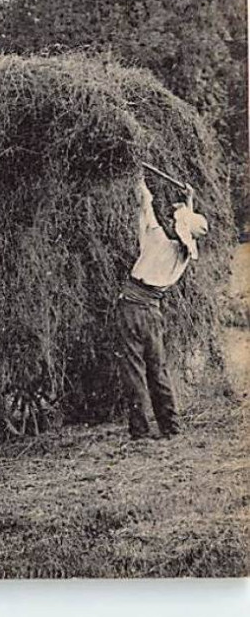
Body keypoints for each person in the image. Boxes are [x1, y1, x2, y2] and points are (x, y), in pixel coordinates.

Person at [116, 176, 208, 441]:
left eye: (174, 220)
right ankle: (171, 427)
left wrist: (139, 179)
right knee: (158, 368)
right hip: (153, 312)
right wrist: (189, 200)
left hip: (131, 309)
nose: (171, 219)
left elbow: (145, 206)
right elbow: (186, 226)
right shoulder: (183, 257)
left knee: (133, 369)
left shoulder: (157, 240)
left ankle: (140, 431)